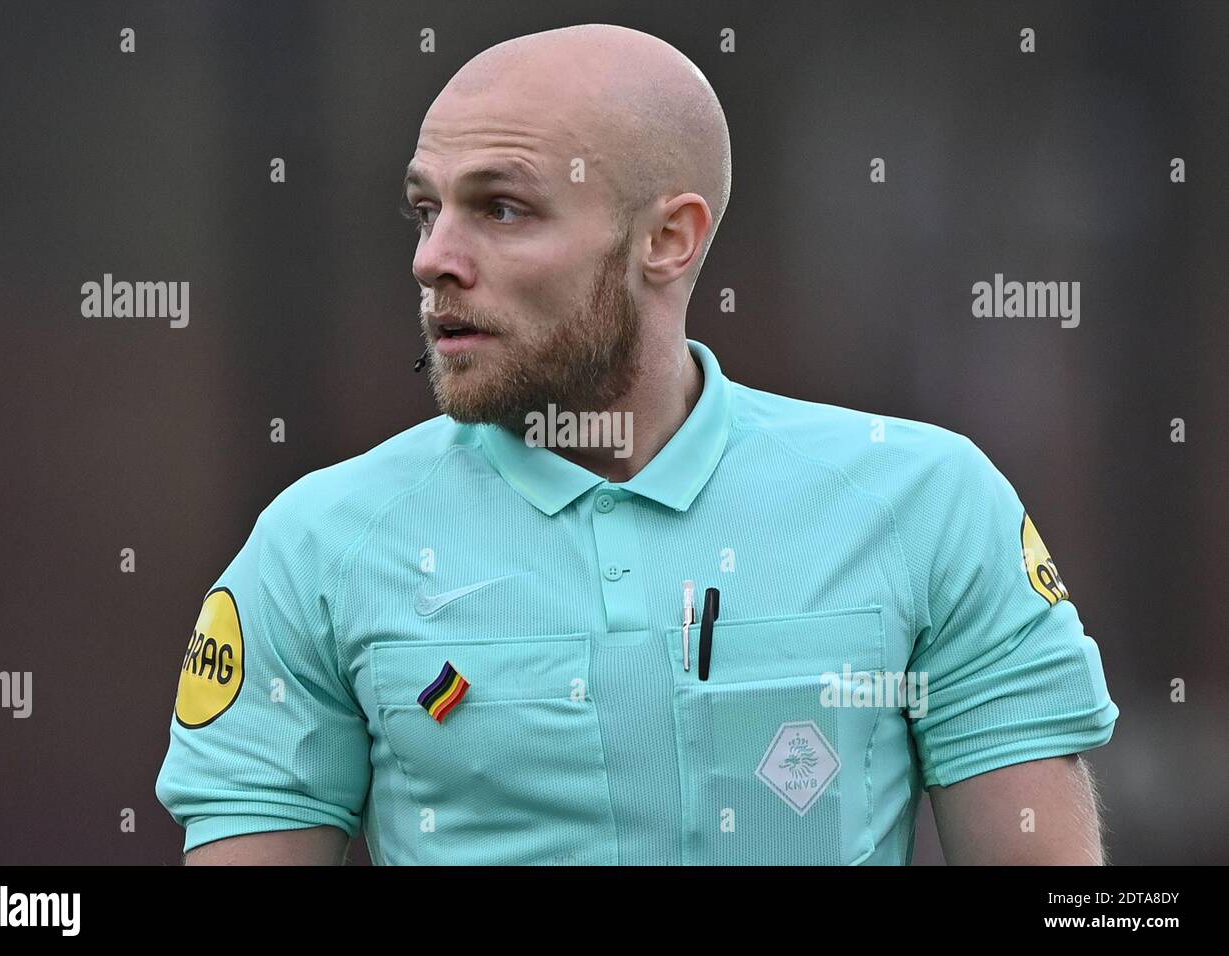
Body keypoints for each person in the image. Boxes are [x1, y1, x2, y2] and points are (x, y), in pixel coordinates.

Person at [155, 23, 1118, 865]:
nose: (432, 258)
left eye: (500, 208)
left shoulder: (928, 503)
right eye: (426, 208)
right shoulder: (319, 543)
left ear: (668, 240)